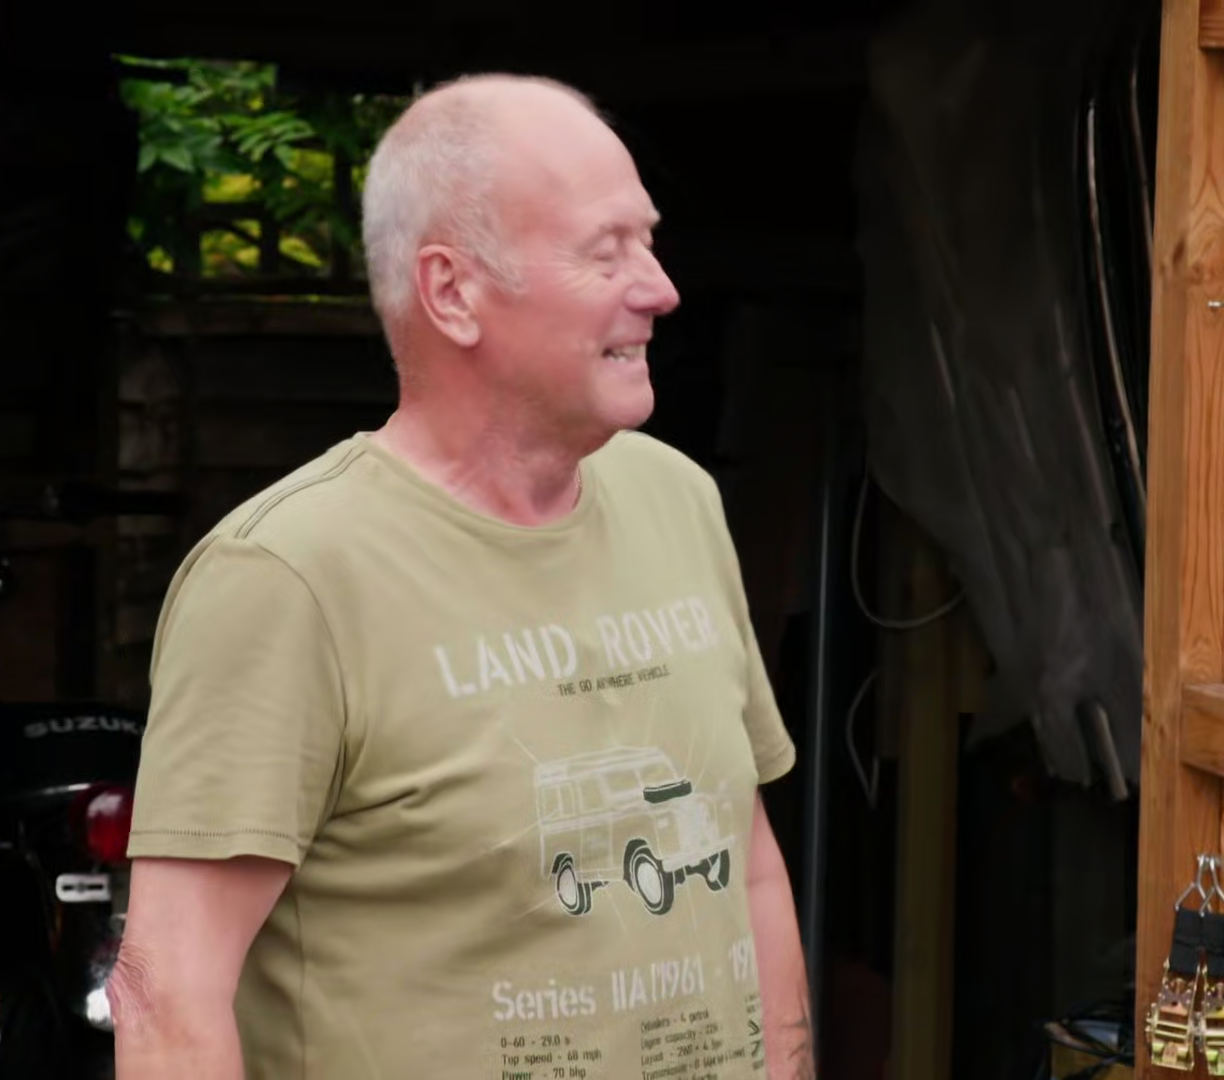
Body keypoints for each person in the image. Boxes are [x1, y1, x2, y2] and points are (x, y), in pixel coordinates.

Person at [106, 74, 814, 1080]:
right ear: (452, 292)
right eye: (605, 250)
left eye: (648, 242)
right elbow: (168, 993)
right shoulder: (287, 576)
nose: (660, 288)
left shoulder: (679, 501)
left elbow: (745, 868)